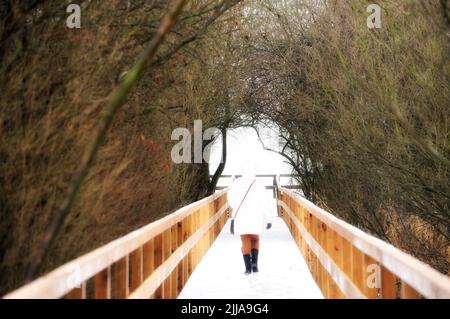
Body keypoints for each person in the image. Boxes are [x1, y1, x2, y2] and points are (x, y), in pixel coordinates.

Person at [227, 161, 273, 275]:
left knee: (245, 240)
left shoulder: (236, 183)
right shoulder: (259, 185)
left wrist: (236, 206)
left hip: (241, 217)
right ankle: (255, 265)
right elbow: (265, 203)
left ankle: (247, 268)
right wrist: (268, 219)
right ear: (254, 171)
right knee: (255, 239)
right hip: (256, 217)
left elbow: (230, 199)